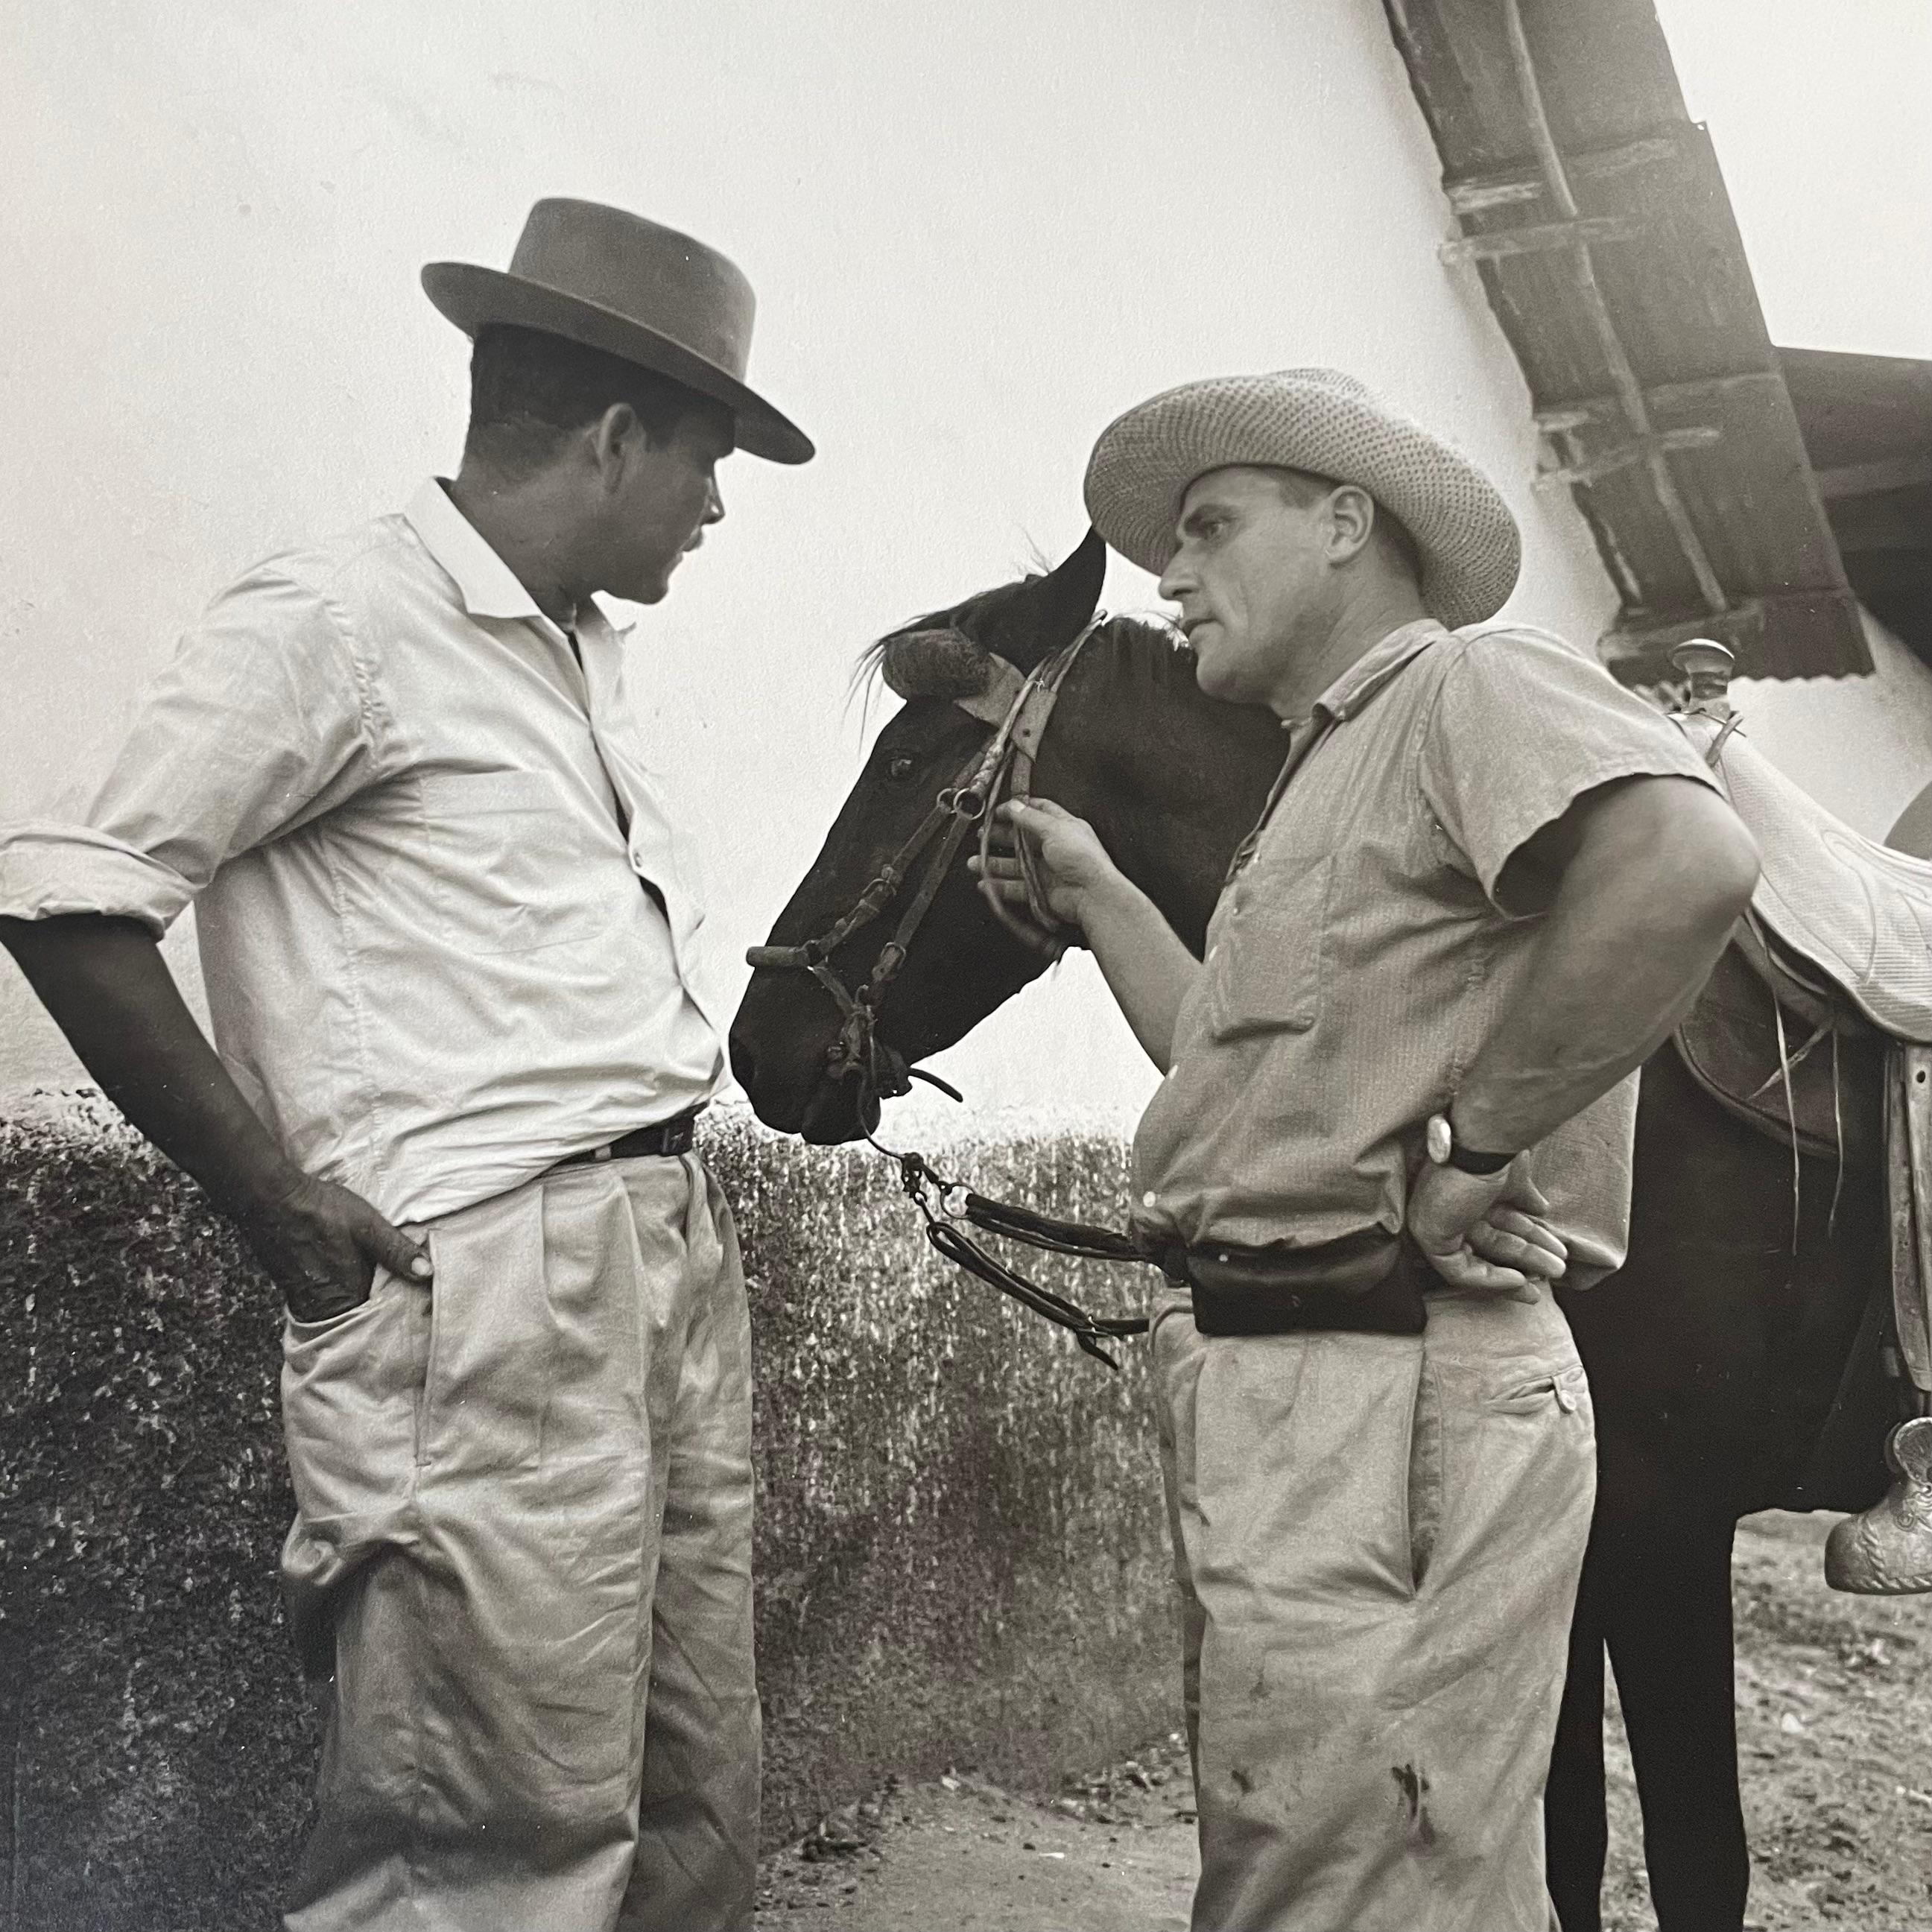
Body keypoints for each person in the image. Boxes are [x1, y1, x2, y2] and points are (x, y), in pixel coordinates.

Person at [0, 197, 813, 1932]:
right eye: (704, 458)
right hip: (486, 1280)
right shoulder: (343, 616)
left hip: (661, 1249)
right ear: (610, 436)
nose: (715, 504)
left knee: (690, 1790)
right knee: (481, 1836)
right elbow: (70, 891)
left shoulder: (581, 651)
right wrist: (276, 1203)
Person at [974, 368, 1759, 1929]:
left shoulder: (1463, 686)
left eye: (1208, 528)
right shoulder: (1325, 759)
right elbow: (1227, 1059)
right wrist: (1094, 887)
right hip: (1309, 1395)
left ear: (1345, 524)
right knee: (1342, 1874)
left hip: (1386, 1394)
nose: (1170, 577)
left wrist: (1475, 1148)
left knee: (1335, 1895)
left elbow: (1686, 854)